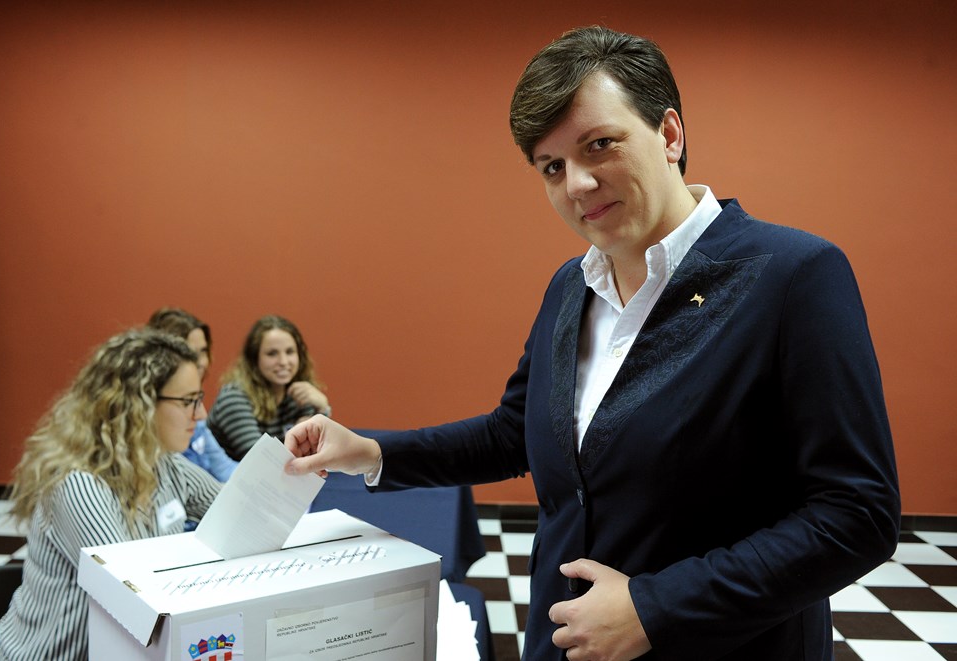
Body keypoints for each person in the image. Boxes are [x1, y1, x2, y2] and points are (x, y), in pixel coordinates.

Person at [284, 25, 901, 661]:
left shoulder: (792, 276)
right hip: (563, 640)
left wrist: (656, 609)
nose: (576, 183)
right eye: (552, 167)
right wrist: (371, 451)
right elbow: (514, 433)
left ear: (669, 135)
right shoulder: (571, 285)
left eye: (599, 145)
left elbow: (858, 514)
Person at [0, 329, 222, 660]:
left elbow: (240, 515)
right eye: (188, 401)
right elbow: (132, 600)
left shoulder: (166, 464)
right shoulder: (78, 483)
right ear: (138, 405)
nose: (200, 415)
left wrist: (288, 469)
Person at [208, 314, 330, 460]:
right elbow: (261, 459)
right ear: (254, 359)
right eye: (272, 354)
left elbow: (314, 451)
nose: (283, 361)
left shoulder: (300, 393)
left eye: (290, 352)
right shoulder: (234, 397)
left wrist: (322, 408)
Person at [147, 307, 237, 484]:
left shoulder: (197, 418)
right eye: (190, 352)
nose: (201, 361)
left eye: (203, 351)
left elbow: (223, 468)